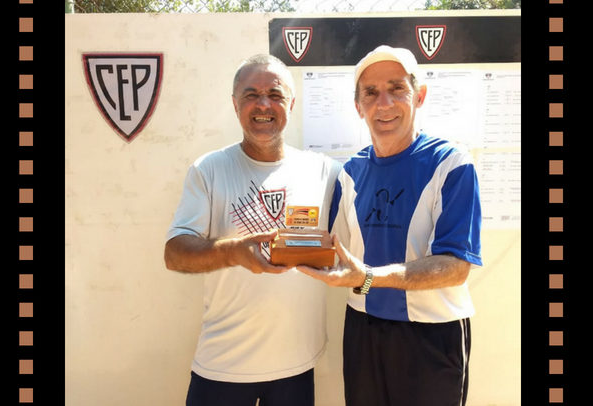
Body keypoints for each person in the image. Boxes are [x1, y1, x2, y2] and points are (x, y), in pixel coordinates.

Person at [297, 45, 482, 406]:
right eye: (371, 92)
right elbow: (334, 252)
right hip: (363, 326)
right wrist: (278, 246)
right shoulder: (351, 172)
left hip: (433, 332)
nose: (384, 103)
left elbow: (456, 267)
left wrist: (368, 277)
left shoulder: (452, 163)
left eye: (397, 88)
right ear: (358, 106)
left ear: (419, 96)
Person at [164, 54, 341, 406]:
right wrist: (233, 252)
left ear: (291, 104)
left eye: (275, 95)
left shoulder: (325, 171)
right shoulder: (209, 170)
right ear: (235, 104)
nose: (263, 105)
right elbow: (175, 254)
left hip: (296, 366)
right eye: (251, 95)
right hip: (223, 368)